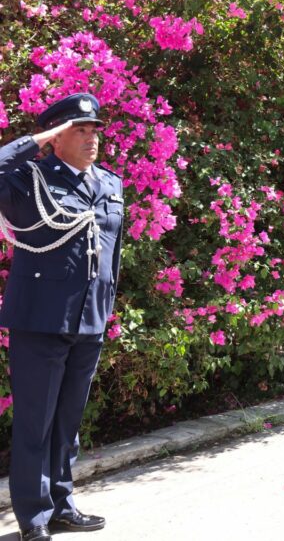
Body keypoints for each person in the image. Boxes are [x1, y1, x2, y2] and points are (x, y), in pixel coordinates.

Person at [0, 93, 124, 541]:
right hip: (40, 321)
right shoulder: (28, 179)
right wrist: (37, 139)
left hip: (89, 319)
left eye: (94, 131)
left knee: (68, 422)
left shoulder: (109, 183)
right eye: (79, 130)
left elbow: (112, 253)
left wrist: (105, 308)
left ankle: (61, 505)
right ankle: (33, 518)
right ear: (55, 137)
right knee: (36, 423)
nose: (91, 139)